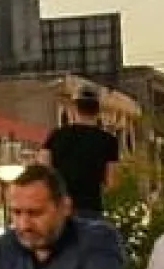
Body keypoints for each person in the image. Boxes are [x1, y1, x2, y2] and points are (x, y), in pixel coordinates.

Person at [39, 87, 121, 219]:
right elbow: (112, 182)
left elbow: (43, 171)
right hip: (90, 208)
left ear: (75, 109)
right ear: (98, 110)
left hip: (59, 207)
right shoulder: (109, 141)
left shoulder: (56, 136)